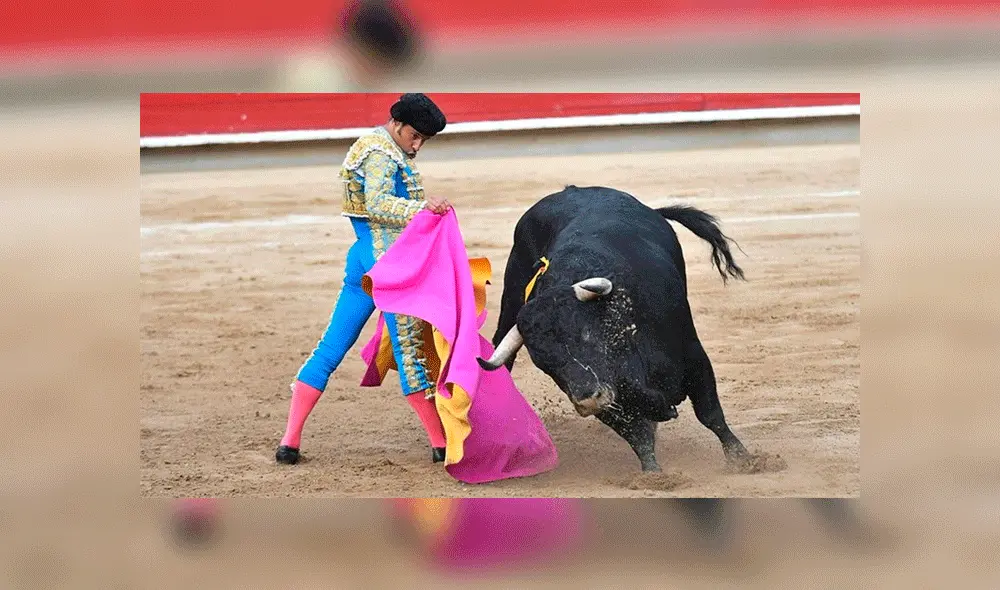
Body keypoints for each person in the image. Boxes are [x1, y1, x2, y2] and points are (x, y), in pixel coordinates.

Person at [276, 93, 451, 465]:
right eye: (414, 136)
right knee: (408, 350)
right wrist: (423, 206)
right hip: (385, 264)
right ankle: (441, 444)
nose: (417, 145)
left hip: (362, 260)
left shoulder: (376, 146)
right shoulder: (380, 153)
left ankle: (289, 442)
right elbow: (377, 203)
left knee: (329, 347)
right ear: (397, 124)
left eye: (423, 140)